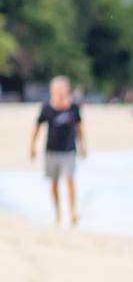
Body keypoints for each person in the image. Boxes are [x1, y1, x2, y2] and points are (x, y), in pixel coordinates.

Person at [27, 75, 88, 226]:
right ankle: (58, 213)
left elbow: (79, 128)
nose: (60, 93)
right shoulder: (47, 108)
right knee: (54, 183)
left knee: (70, 180)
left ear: (67, 91)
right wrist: (32, 146)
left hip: (69, 151)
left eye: (63, 90)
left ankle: (73, 211)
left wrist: (83, 146)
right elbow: (37, 127)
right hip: (51, 151)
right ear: (52, 91)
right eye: (57, 90)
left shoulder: (74, 108)